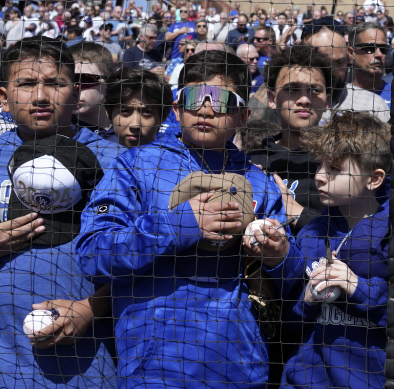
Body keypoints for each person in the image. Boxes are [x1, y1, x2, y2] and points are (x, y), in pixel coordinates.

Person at [75, 49, 294, 388]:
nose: (205, 108)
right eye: (193, 96)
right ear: (176, 109)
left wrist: (278, 255)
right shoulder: (135, 166)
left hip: (240, 368)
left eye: (221, 100)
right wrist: (184, 224)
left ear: (243, 115)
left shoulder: (261, 182)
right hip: (154, 368)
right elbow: (92, 253)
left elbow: (291, 277)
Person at [0, 36, 118, 388]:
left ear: (76, 92)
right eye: (25, 84)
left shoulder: (117, 165)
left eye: (54, 83)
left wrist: (90, 309)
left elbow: (151, 268)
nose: (40, 96)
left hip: (84, 366)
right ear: (3, 98)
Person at [279, 111, 394, 389]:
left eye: (335, 169)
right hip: (304, 381)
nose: (320, 177)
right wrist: (306, 301)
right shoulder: (312, 231)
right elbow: (289, 322)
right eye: (320, 166)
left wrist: (357, 287)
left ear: (374, 179)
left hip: (370, 380)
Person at [248, 45, 333, 232]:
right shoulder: (252, 162)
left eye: (314, 90)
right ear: (272, 99)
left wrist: (297, 213)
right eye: (292, 89)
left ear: (327, 101)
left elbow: (345, 234)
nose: (304, 99)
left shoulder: (340, 163)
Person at [103, 68, 173, 147]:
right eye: (125, 111)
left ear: (164, 116)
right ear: (108, 112)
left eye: (146, 112)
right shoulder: (94, 156)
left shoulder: (174, 157)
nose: (135, 125)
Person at [70, 41, 114, 132]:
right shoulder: (60, 131)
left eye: (85, 79)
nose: (74, 87)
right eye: (69, 80)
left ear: (109, 84)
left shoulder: (126, 131)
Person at [348, 22, 392, 109]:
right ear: (351, 53)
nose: (379, 54)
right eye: (369, 48)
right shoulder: (339, 96)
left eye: (383, 49)